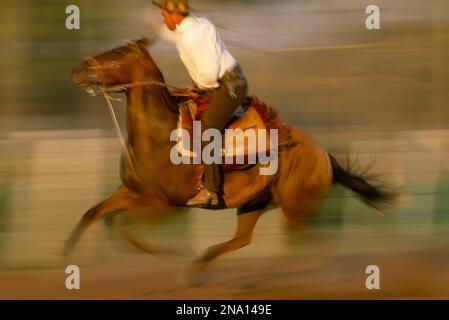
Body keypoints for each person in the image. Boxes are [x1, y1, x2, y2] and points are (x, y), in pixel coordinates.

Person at [152, 0, 249, 207]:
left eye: (163, 15)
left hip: (229, 86)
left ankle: (210, 190)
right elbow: (176, 35)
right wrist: (159, 28)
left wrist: (198, 87)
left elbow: (208, 74)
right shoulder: (196, 25)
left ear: (175, 16)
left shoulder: (192, 38)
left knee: (207, 129)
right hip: (223, 81)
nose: (163, 18)